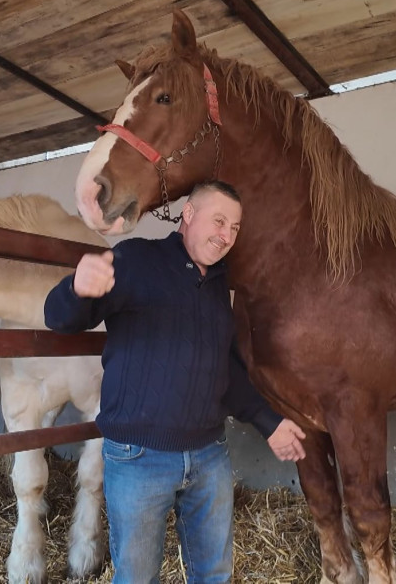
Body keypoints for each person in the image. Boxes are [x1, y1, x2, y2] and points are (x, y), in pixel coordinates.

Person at [44, 180, 306, 583]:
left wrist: (270, 423)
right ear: (188, 215)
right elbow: (61, 320)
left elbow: (228, 371)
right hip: (139, 457)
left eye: (234, 228)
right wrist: (76, 290)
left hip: (208, 455)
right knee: (137, 576)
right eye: (219, 221)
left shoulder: (219, 284)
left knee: (215, 572)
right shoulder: (136, 260)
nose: (226, 236)